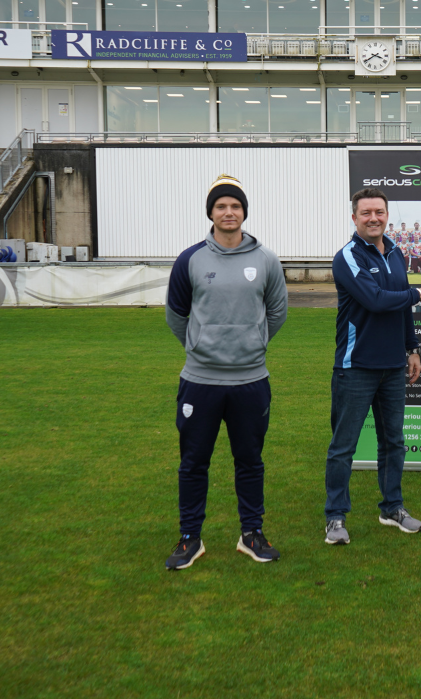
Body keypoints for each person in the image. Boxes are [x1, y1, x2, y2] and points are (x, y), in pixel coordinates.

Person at [164, 174, 289, 569]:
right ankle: (189, 538)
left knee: (250, 460)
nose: (229, 212)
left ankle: (251, 534)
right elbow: (176, 315)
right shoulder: (190, 259)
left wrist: (252, 344)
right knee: (193, 462)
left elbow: (277, 312)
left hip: (251, 380)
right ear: (211, 213)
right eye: (221, 206)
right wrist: (202, 346)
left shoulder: (266, 259)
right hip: (200, 381)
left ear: (244, 212)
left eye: (235, 206)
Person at [325, 187, 421, 545]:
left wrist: (412, 348)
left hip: (394, 365)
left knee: (393, 441)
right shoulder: (347, 256)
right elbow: (375, 301)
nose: (373, 218)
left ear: (386, 214)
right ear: (354, 218)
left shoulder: (395, 253)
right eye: (366, 213)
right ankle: (335, 516)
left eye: (379, 211)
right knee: (343, 446)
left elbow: (400, 308)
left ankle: (392, 507)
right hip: (356, 366)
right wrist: (420, 294)